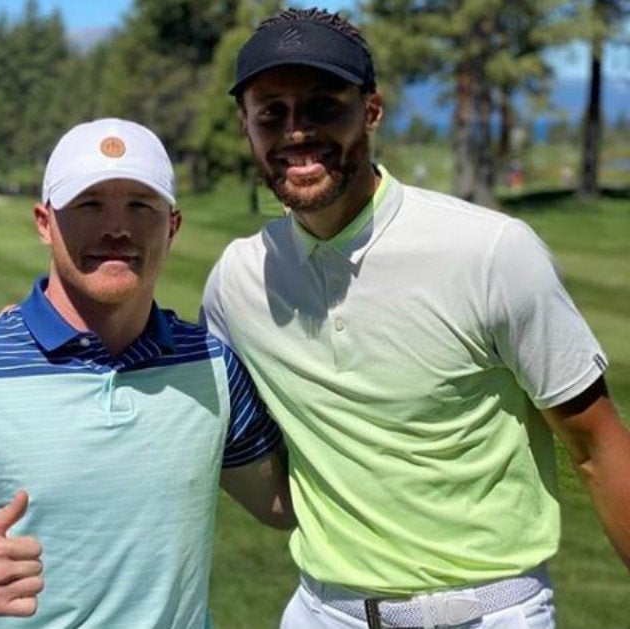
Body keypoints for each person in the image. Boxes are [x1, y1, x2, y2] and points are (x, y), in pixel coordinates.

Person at [199, 8, 630, 629]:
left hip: (488, 612)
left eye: (323, 106)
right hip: (323, 610)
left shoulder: (488, 252)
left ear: (371, 111)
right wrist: (15, 327)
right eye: (272, 112)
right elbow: (169, 370)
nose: (296, 132)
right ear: (246, 126)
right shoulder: (238, 280)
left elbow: (595, 444)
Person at [0, 118, 292, 629]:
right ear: (44, 222)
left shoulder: (212, 366)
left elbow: (280, 505)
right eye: (89, 204)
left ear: (172, 226)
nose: (116, 228)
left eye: (141, 205)